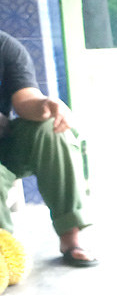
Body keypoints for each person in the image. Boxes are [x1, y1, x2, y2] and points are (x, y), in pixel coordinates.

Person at [0, 29, 96, 266]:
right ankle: (4, 251)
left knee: (50, 128)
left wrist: (46, 104)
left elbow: (25, 100)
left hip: (6, 147)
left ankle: (70, 235)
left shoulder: (6, 48)